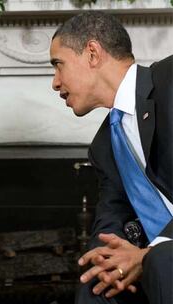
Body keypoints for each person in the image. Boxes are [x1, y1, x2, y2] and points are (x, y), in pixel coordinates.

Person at [49, 11, 172, 304]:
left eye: (58, 65)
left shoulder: (170, 81)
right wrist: (106, 263)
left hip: (163, 256)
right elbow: (111, 221)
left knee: (160, 261)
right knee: (97, 281)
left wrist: (150, 253)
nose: (55, 82)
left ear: (92, 53)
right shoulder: (104, 146)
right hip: (158, 258)